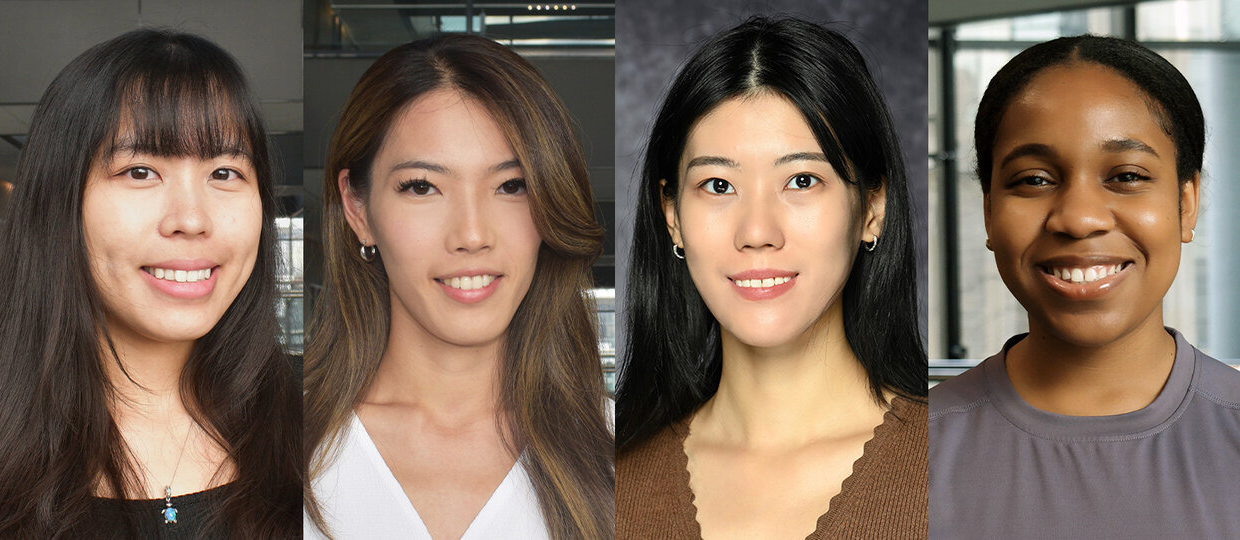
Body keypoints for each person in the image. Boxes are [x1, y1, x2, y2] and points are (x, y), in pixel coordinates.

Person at [615, 17, 927, 539]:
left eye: (801, 180)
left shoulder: (952, 466)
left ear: (873, 205)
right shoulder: (612, 478)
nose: (757, 232)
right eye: (718, 185)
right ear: (672, 216)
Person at [0, 29, 302, 537]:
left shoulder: (323, 431)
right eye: (140, 171)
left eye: (224, 173)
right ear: (59, 202)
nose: (192, 218)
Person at [929, 35, 1240, 538]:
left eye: (1126, 175)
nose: (1078, 218)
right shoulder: (898, 457)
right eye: (1033, 180)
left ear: (1187, 204)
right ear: (989, 211)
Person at [304, 34, 612, 539]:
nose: (472, 235)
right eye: (423, 186)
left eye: (511, 186)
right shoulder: (287, 447)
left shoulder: (618, 448)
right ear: (358, 210)